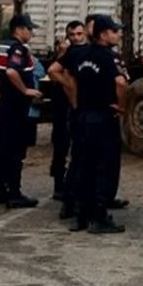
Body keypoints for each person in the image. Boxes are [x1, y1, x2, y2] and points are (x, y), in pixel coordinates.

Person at [52, 14, 129, 233]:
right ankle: (100, 217)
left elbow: (55, 71)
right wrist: (121, 107)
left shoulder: (79, 53)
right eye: (115, 31)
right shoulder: (108, 56)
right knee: (104, 167)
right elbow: (121, 83)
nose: (118, 34)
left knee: (83, 166)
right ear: (103, 35)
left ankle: (81, 216)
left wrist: (75, 99)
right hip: (103, 118)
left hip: (82, 117)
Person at [0, 15, 41, 208]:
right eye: (29, 29)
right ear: (19, 29)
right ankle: (14, 193)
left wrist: (0, 90)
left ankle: (1, 190)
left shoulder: (2, 47)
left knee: (2, 148)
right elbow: (11, 71)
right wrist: (25, 90)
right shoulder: (17, 49)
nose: (31, 33)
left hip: (5, 104)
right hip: (17, 106)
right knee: (16, 150)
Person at [48, 20, 86, 200]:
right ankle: (58, 183)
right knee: (61, 144)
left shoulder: (85, 52)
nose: (76, 38)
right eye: (72, 35)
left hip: (78, 105)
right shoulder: (65, 54)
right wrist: (69, 85)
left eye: (79, 34)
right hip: (63, 106)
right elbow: (54, 73)